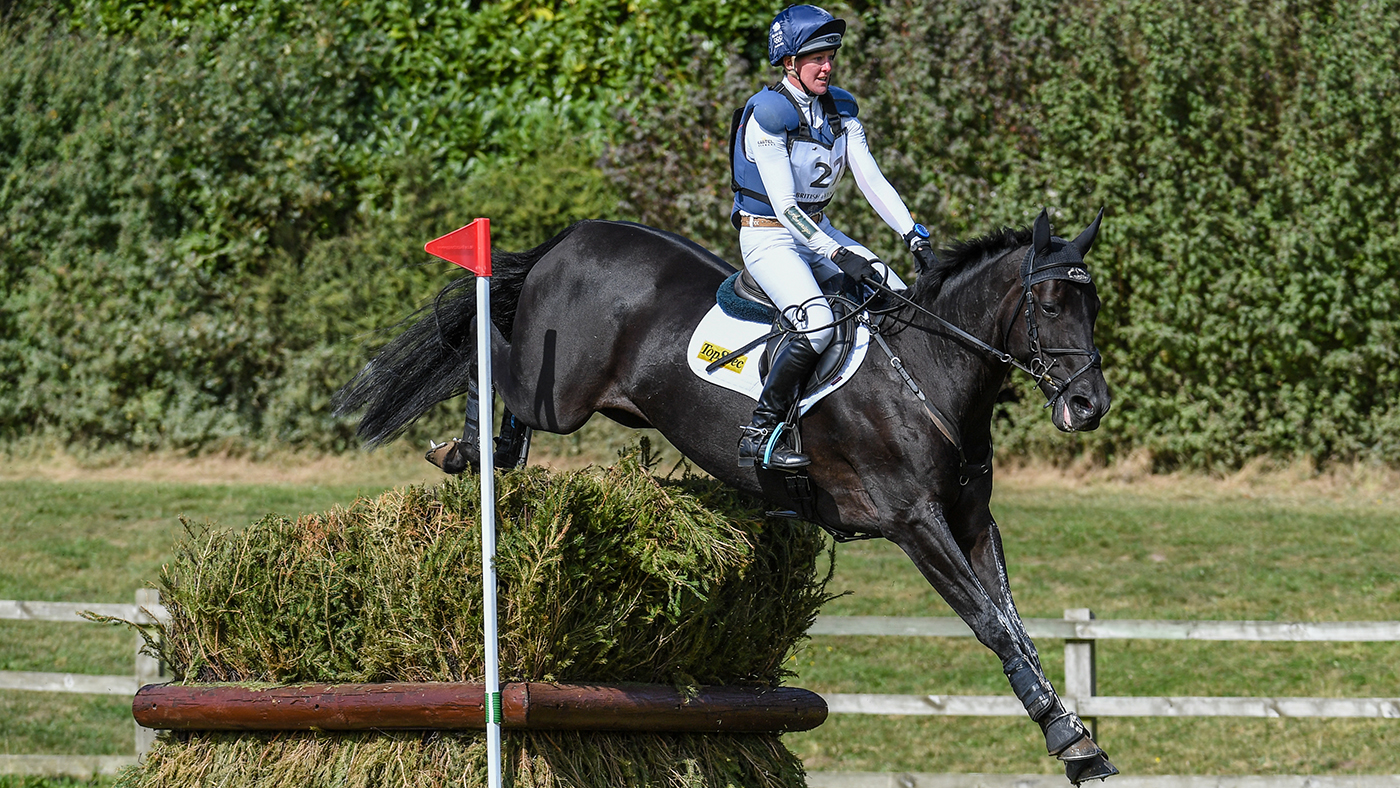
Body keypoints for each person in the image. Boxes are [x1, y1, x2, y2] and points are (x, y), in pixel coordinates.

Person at [731, 4, 938, 470]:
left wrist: (913, 237)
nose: (827, 66)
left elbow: (872, 180)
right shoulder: (768, 113)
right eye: (815, 57)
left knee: (900, 299)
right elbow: (784, 208)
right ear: (789, 62)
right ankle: (760, 430)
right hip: (769, 236)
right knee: (817, 323)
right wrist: (839, 254)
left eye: (830, 56)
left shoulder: (841, 109)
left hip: (817, 228)